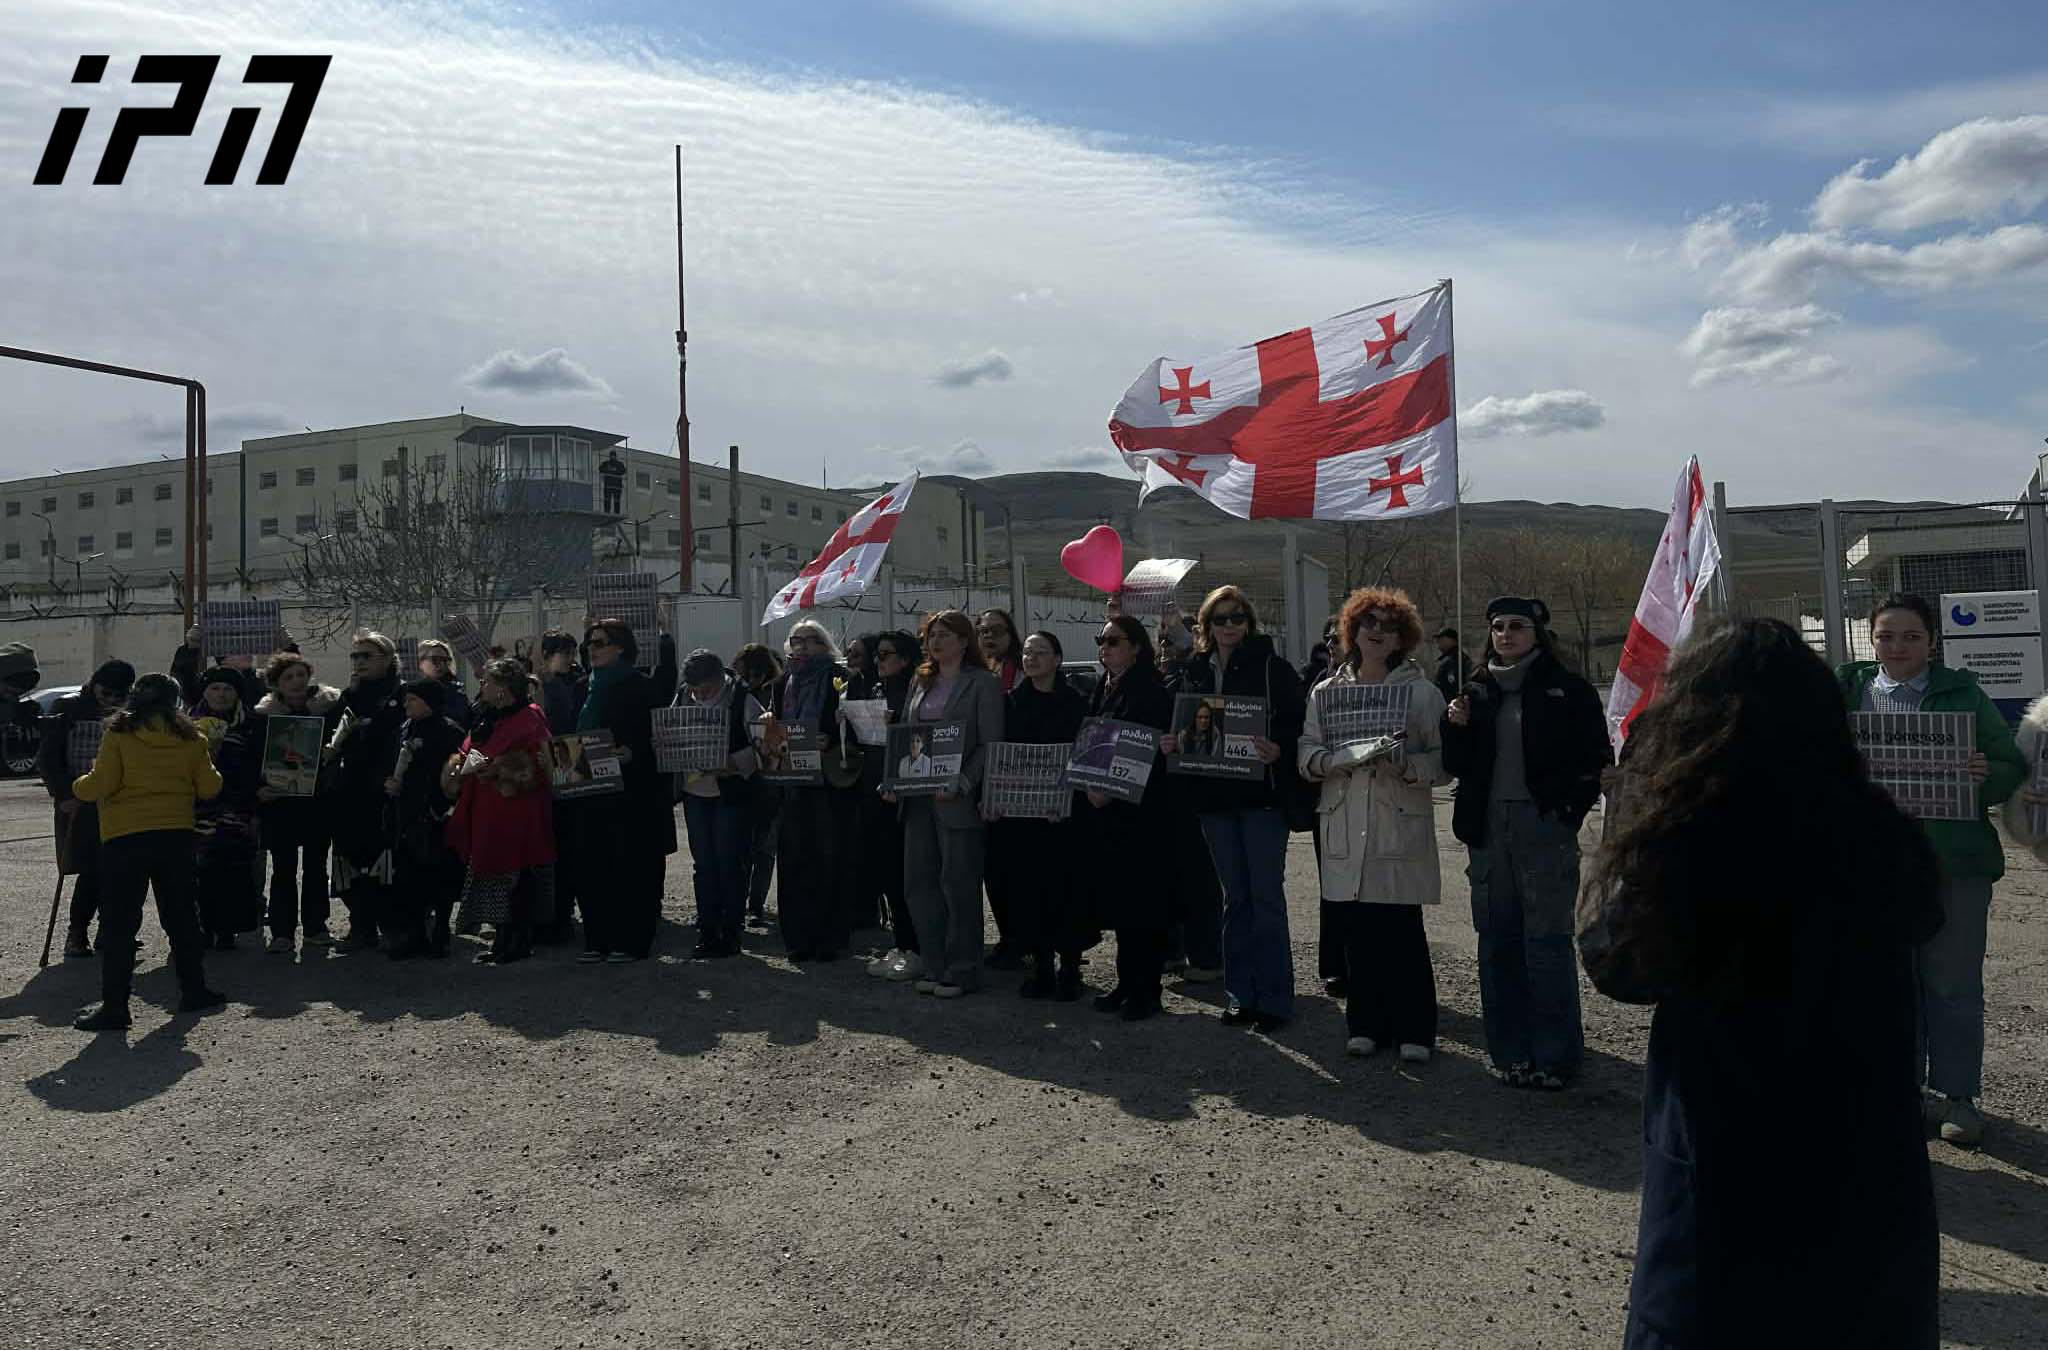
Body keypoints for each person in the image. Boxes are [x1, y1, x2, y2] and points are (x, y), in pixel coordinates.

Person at [1581, 619, 1939, 1348]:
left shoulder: (1687, 837)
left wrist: (1622, 837)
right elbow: (1924, 914)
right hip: (1861, 1160)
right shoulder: (1880, 828)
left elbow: (1615, 964)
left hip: (1726, 1163)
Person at [1838, 592, 2024, 1147]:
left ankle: (1959, 1097)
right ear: (1869, 640)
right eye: (1886, 636)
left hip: (1954, 862)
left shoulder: (1962, 692)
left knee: (1952, 982)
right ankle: (1900, 1090)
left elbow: (2010, 762)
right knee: (1887, 982)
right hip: (1873, 866)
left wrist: (1982, 772)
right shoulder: (1847, 693)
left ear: (1932, 642)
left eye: (1911, 636)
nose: (1897, 647)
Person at [1442, 596, 1611, 1089]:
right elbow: (1458, 766)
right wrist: (1454, 728)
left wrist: (1565, 813)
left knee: (1547, 941)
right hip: (1489, 829)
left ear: (1537, 633)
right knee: (1497, 942)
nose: (1507, 634)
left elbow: (1594, 759)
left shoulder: (1569, 689)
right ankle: (1509, 1053)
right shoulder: (1474, 693)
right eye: (1498, 626)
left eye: (1518, 626)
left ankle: (1556, 1057)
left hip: (1544, 828)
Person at [1298, 588, 1448, 1060]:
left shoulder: (1422, 693)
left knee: (1403, 932)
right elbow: (1306, 750)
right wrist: (1329, 762)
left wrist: (1409, 765)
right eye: (1369, 624)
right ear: (1352, 631)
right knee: (1357, 934)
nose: (1377, 632)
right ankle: (1365, 1024)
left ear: (1403, 636)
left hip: (1396, 819)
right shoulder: (1325, 693)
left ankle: (1415, 1032)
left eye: (1388, 626)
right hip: (1345, 816)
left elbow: (1443, 761)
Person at [1166, 585, 1306, 1032]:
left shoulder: (1273, 668)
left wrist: (1278, 748)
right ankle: (1240, 995)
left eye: (1237, 617)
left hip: (1261, 800)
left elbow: (1299, 725)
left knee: (1265, 899)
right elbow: (1185, 725)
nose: (1229, 626)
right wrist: (1174, 743)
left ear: (1249, 622)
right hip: (1213, 802)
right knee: (1235, 900)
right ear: (1206, 626)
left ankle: (1275, 999)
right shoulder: (1194, 671)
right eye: (1220, 619)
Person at [69, 673, 227, 1031]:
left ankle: (115, 1007)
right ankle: (193, 990)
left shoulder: (119, 734)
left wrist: (79, 785)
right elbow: (209, 787)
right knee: (182, 916)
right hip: (175, 836)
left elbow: (101, 784)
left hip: (125, 838)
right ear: (175, 703)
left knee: (120, 923)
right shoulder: (192, 738)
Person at [889, 609, 1005, 997]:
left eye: (945, 634)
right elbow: (907, 735)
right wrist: (894, 779)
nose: (936, 642)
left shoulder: (982, 683)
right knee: (919, 883)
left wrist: (965, 781)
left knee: (958, 884)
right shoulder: (920, 681)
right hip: (919, 796)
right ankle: (934, 964)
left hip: (957, 799)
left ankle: (963, 968)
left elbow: (990, 743)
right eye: (931, 635)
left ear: (963, 640)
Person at [1077, 614, 1174, 1019]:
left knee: (1142, 905)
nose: (1105, 647)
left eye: (1114, 640)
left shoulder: (1151, 690)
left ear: (1136, 646)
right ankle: (1125, 982)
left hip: (1140, 813)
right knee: (1120, 901)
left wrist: (1109, 788)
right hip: (1106, 810)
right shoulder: (1103, 686)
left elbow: (1145, 751)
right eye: (1101, 639)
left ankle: (1146, 991)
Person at [573, 617, 674, 963]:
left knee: (631, 868)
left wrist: (632, 751)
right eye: (589, 643)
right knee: (593, 868)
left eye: (600, 642)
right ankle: (598, 939)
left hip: (632, 796)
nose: (592, 649)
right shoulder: (584, 686)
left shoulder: (640, 686)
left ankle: (632, 942)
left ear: (620, 647)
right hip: (590, 791)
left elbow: (658, 738)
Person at [444, 659, 557, 965]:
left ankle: (519, 940)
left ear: (504, 688)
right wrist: (463, 767)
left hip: (517, 807)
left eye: (488, 681)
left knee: (516, 873)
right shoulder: (486, 717)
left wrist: (500, 768)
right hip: (485, 807)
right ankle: (501, 937)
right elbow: (468, 750)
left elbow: (543, 760)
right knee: (492, 871)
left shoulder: (529, 716)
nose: (482, 686)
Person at [999, 630, 1092, 999]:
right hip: (1024, 814)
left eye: (1040, 652)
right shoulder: (1012, 703)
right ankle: (1041, 966)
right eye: (1026, 652)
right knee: (1030, 890)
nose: (1031, 658)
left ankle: (1070, 968)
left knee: (1067, 890)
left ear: (1057, 659)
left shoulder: (1078, 703)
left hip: (1068, 814)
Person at [39, 660, 133, 959]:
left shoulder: (129, 716)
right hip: (79, 802)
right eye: (107, 691)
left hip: (119, 802)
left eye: (119, 694)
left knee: (119, 870)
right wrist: (64, 794)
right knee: (91, 869)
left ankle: (110, 931)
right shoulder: (68, 709)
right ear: (94, 683)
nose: (112, 699)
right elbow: (49, 758)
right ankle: (77, 934)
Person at [253, 651, 343, 954]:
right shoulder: (265, 717)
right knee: (283, 868)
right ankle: (282, 932)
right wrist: (261, 788)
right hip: (280, 804)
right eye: (288, 677)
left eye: (300, 675)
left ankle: (317, 927)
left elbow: (342, 747)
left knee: (317, 866)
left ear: (309, 675)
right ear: (276, 683)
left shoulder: (330, 709)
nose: (295, 682)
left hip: (318, 802)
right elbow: (255, 758)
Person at [327, 631, 409, 953]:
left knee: (385, 859)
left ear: (388, 659)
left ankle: (390, 925)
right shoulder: (349, 696)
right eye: (355, 656)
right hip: (350, 790)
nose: (359, 662)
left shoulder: (401, 695)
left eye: (367, 656)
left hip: (386, 790)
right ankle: (360, 925)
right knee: (349, 857)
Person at [677, 649, 762, 959]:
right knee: (704, 864)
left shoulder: (743, 699)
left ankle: (731, 930)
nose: (700, 695)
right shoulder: (683, 697)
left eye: (707, 690)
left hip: (730, 792)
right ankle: (708, 927)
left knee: (729, 862)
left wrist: (732, 764)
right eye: (696, 690)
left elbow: (763, 745)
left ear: (720, 680)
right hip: (696, 790)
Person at [773, 620, 848, 962]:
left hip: (827, 783)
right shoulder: (783, 681)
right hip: (792, 784)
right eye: (795, 641)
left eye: (809, 641)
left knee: (827, 859)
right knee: (793, 860)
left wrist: (830, 740)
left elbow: (853, 725)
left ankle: (828, 938)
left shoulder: (839, 678)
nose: (801, 647)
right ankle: (797, 939)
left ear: (824, 644)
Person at [382, 678, 468, 959]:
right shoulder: (404, 730)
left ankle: (441, 931)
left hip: (435, 815)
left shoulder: (448, 732)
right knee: (408, 878)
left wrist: (438, 807)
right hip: (405, 815)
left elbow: (455, 774)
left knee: (439, 876)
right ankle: (414, 933)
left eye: (413, 699)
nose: (407, 704)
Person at [862, 630, 922, 981]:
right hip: (875, 788)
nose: (879, 660)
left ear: (905, 658)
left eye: (886, 654)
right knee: (886, 871)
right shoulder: (877, 688)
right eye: (878, 654)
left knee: (905, 874)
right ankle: (901, 944)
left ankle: (916, 947)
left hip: (901, 792)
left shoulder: (913, 691)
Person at [193, 667, 266, 949]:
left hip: (238, 807)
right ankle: (199, 929)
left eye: (227, 690)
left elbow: (258, 765)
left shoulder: (250, 724)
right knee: (198, 873)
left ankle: (226, 929)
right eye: (214, 689)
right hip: (198, 810)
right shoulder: (188, 723)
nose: (220, 695)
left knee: (232, 871)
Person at [734, 643, 784, 929]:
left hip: (765, 781)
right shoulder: (747, 694)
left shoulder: (764, 695)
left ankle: (752, 905)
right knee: (759, 850)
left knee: (761, 849)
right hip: (761, 781)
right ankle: (751, 905)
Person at [414, 639, 475, 729]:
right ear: (420, 662)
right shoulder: (409, 692)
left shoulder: (456, 693)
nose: (442, 664)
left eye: (445, 660)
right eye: (435, 660)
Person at [1432, 627, 1472, 704]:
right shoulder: (1452, 658)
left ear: (1451, 640)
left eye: (1442, 638)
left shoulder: (1454, 660)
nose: (1438, 642)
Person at [599, 449, 626, 514]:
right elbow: (600, 469)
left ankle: (616, 512)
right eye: (612, 455)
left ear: (615, 456)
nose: (612, 457)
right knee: (607, 500)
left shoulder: (619, 464)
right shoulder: (606, 463)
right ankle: (607, 511)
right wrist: (614, 471)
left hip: (616, 485)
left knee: (616, 500)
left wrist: (610, 470)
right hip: (609, 485)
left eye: (613, 456)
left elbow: (623, 471)